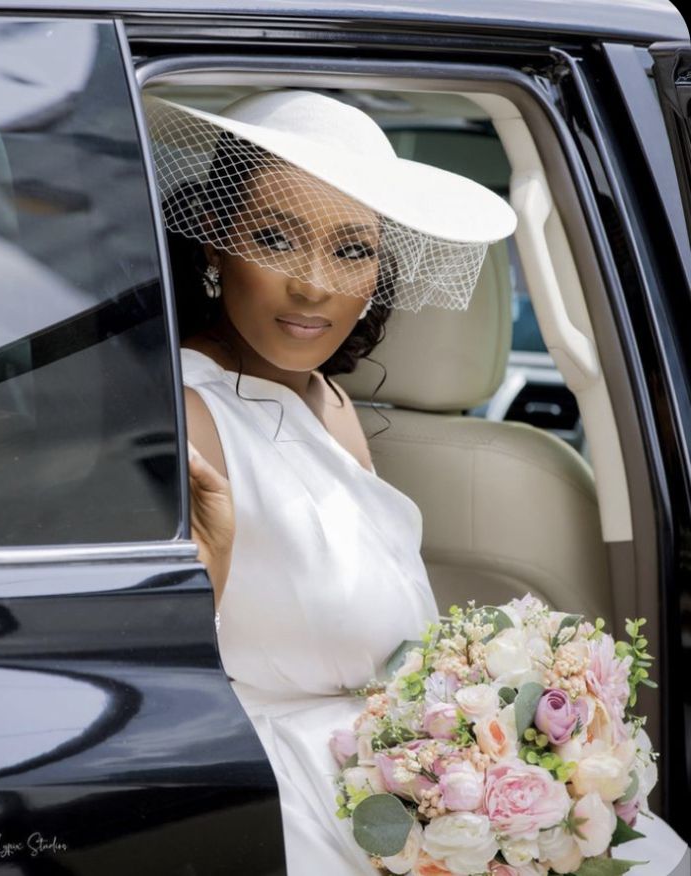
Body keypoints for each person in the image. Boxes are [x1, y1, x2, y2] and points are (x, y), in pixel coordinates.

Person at [144, 90, 689, 875]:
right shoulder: (188, 415)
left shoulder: (327, 400)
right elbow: (157, 663)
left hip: (393, 788)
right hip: (284, 798)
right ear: (212, 246)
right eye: (273, 238)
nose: (313, 285)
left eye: (351, 250)